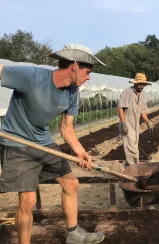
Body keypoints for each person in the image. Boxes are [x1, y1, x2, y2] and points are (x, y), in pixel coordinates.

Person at [0, 44, 106, 244]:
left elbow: (67, 129)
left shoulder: (73, 92)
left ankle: (73, 234)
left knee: (71, 183)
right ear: (74, 65)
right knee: (28, 200)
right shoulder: (32, 76)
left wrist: (81, 152)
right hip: (17, 142)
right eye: (88, 71)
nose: (89, 77)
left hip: (42, 141)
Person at [117, 73, 153, 167]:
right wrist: (123, 123)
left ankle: (133, 164)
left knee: (134, 145)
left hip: (135, 125)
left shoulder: (141, 95)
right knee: (131, 147)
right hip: (127, 124)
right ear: (135, 83)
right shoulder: (127, 92)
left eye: (143, 84)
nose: (142, 86)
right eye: (140, 84)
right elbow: (120, 108)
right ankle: (133, 166)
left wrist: (148, 122)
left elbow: (143, 111)